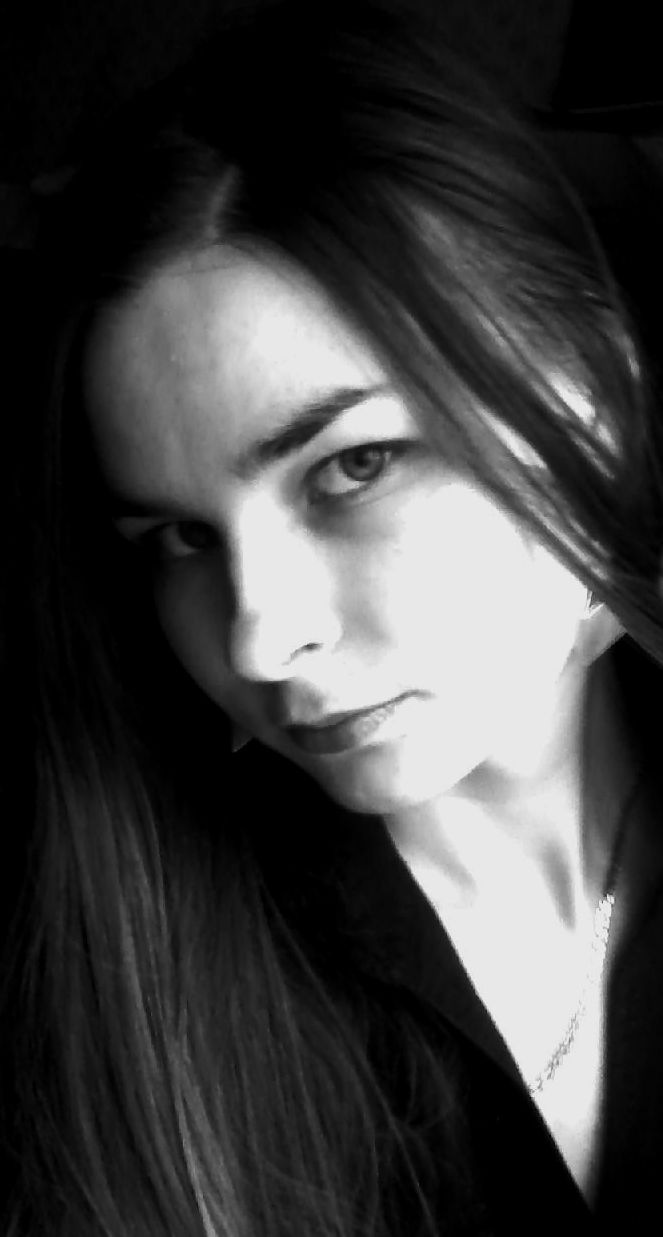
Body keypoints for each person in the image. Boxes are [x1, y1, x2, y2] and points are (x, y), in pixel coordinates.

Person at [4, 0, 663, 1231]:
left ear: (595, 402)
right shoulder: (129, 978)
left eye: (352, 468)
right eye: (180, 538)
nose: (255, 638)